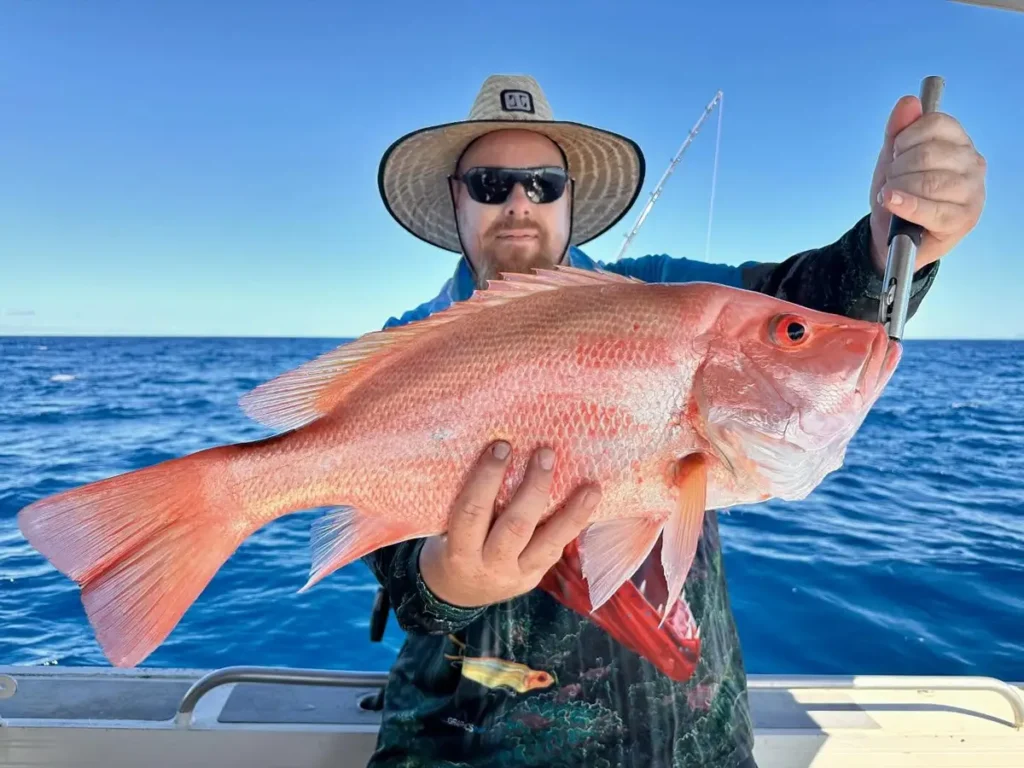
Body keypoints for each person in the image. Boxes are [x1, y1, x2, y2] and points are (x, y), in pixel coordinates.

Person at [362, 74, 986, 768]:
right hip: (468, 746)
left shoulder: (667, 296)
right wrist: (447, 583)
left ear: (571, 198)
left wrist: (888, 244)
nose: (517, 203)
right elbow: (391, 565)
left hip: (693, 746)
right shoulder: (404, 346)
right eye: (489, 183)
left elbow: (792, 309)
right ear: (457, 195)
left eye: (542, 184)